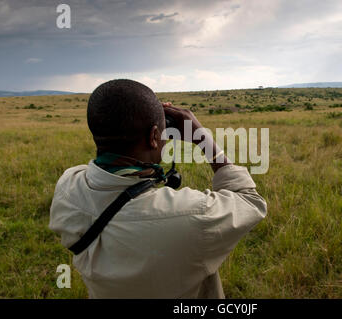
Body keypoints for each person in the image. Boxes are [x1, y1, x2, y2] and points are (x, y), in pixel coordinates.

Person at [49, 79, 267, 298]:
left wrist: (151, 119)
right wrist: (202, 137)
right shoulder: (193, 215)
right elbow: (250, 201)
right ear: (154, 137)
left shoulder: (67, 190)